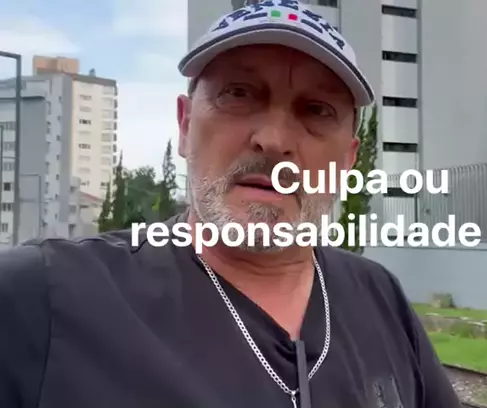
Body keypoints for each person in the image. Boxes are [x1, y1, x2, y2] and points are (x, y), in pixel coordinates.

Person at [0, 1, 462, 407]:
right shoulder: (42, 300)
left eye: (316, 110)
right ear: (185, 126)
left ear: (347, 160)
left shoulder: (381, 299)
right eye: (239, 94)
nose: (274, 140)